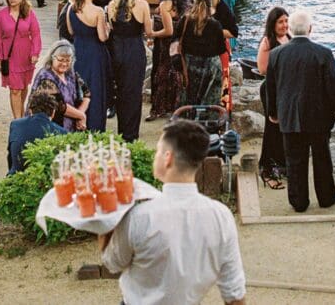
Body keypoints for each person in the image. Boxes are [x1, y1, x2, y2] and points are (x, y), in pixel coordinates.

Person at [101, 119, 247, 305]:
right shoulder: (221, 216)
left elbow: (113, 263)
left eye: (158, 151)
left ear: (167, 158)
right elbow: (235, 294)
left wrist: (104, 220)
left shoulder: (140, 216)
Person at [264, 9, 335, 213]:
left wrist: (272, 112)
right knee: (322, 158)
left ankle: (298, 201)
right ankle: (326, 196)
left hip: (290, 115)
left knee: (294, 159)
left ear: (290, 29)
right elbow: (334, 85)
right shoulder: (323, 53)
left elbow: (270, 87)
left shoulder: (276, 55)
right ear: (310, 29)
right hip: (319, 115)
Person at [108, 0, 164, 142]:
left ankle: (121, 130)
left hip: (117, 50)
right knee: (134, 93)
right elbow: (148, 31)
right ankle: (131, 133)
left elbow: (111, 28)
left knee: (120, 91)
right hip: (134, 50)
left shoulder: (112, 6)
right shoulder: (142, 5)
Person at [66, 0, 111, 132]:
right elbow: (102, 37)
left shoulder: (71, 9)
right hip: (95, 54)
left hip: (77, 52)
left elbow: (71, 31)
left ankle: (77, 122)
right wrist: (108, 29)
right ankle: (95, 126)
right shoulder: (98, 11)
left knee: (78, 89)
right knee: (95, 90)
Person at [0, 0, 42, 119]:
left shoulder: (29, 13)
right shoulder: (1, 15)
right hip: (9, 56)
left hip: (25, 56)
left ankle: (21, 113)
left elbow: (36, 34)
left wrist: (35, 53)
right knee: (15, 90)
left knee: (23, 87)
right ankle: (18, 120)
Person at [147, 0, 187, 119]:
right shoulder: (184, 1)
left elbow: (168, 30)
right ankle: (176, 108)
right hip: (181, 43)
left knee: (162, 75)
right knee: (178, 75)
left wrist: (152, 34)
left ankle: (158, 108)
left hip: (167, 44)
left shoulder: (166, 5)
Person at [256, 7, 290, 189]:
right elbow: (262, 69)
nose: (285, 25)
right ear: (273, 24)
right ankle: (267, 165)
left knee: (285, 127)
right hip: (271, 88)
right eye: (281, 22)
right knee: (272, 126)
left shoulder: (290, 38)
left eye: (286, 21)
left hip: (287, 89)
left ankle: (282, 161)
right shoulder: (268, 42)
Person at [29, 39, 91, 131]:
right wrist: (81, 116)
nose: (65, 64)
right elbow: (59, 106)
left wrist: (80, 114)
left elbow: (87, 93)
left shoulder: (71, 74)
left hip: (70, 125)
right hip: (50, 127)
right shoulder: (46, 77)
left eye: (68, 60)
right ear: (52, 58)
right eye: (61, 60)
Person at [179, 0, 227, 106]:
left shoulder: (185, 21)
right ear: (210, 6)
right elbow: (221, 49)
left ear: (195, 4)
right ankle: (206, 121)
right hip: (210, 67)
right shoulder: (215, 25)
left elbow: (177, 40)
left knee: (189, 97)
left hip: (190, 66)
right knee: (209, 101)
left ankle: (188, 120)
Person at [7, 90, 66, 174]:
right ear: (53, 112)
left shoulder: (15, 124)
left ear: (30, 110)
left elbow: (11, 157)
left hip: (16, 176)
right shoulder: (62, 133)